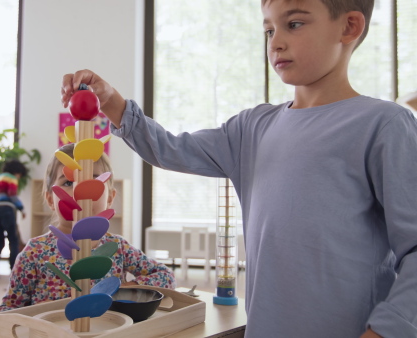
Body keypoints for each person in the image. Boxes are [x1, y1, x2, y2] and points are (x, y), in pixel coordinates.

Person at [60, 1, 417, 337]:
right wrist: (113, 103)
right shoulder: (252, 128)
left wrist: (387, 329)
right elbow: (170, 148)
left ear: (350, 26)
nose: (276, 42)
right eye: (269, 30)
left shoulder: (384, 125)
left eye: (294, 24)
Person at [0, 143, 175, 311]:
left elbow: (165, 276)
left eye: (94, 180)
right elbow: (7, 311)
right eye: (68, 182)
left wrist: (129, 287)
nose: (81, 190)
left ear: (110, 199)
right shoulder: (34, 253)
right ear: (51, 200)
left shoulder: (118, 247)